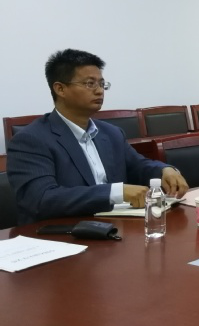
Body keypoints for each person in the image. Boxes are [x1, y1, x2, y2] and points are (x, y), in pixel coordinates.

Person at [7, 49, 188, 225]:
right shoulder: (31, 140)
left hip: (114, 228)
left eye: (102, 84)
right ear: (60, 89)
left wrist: (164, 170)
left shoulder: (111, 133)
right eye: (90, 83)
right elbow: (40, 199)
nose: (99, 91)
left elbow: (138, 166)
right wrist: (116, 192)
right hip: (62, 233)